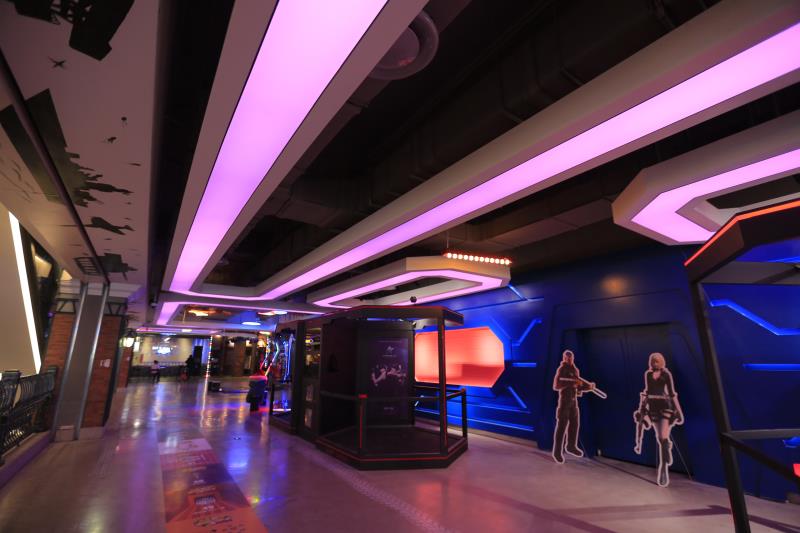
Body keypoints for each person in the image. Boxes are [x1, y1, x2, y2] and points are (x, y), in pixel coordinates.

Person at [633, 352, 684, 487]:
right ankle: (666, 447)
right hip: (653, 407)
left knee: (662, 436)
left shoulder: (666, 375)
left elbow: (672, 394)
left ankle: (663, 469)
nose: (654, 363)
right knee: (660, 438)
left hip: (665, 407)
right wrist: (642, 404)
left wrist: (679, 412)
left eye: (657, 361)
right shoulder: (648, 374)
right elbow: (648, 390)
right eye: (652, 361)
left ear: (661, 362)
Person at [552, 349, 596, 464]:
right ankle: (557, 452)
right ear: (564, 358)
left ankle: (571, 446)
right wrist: (571, 383)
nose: (569, 360)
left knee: (575, 425)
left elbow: (578, 387)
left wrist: (588, 387)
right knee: (561, 427)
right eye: (567, 358)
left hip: (573, 402)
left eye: (570, 358)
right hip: (564, 402)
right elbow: (556, 385)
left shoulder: (575, 370)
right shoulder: (561, 369)